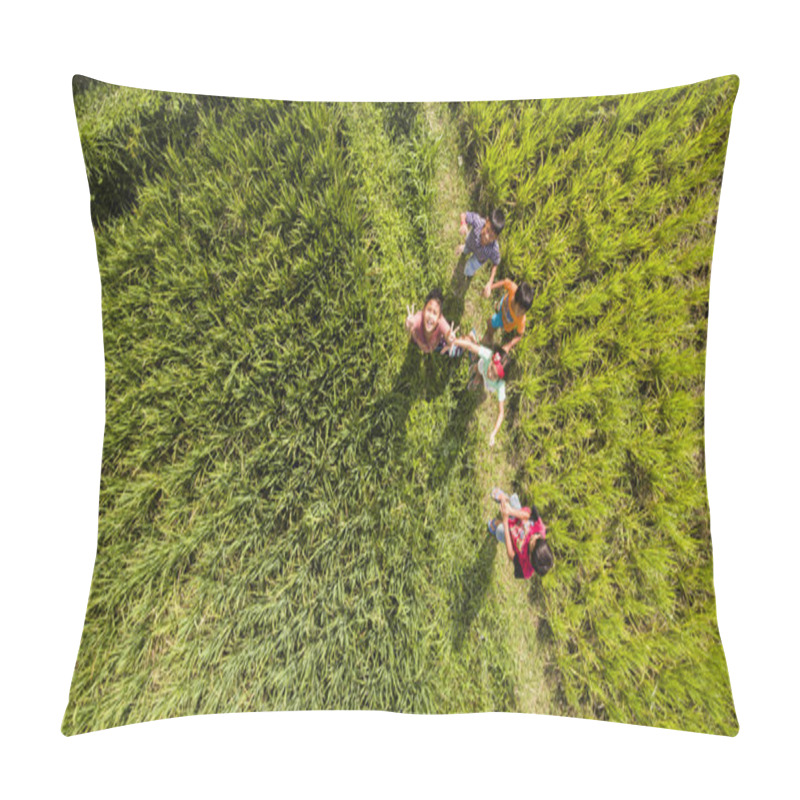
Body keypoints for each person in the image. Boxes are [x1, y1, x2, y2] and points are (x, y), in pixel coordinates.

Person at [451, 333, 506, 446]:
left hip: (489, 385)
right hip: (482, 366)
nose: (490, 374)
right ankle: (476, 370)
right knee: (480, 367)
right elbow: (470, 347)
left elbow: (501, 412)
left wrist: (493, 433)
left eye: (495, 375)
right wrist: (454, 341)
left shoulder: (500, 385)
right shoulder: (488, 355)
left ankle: (478, 378)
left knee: (484, 381)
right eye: (491, 368)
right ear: (491, 359)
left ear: (500, 378)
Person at [487, 488, 553, 579]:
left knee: (499, 532)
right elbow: (528, 515)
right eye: (538, 537)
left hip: (513, 536)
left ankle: (500, 522)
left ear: (530, 557)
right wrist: (510, 511)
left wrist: (505, 522)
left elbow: (511, 554)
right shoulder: (540, 529)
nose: (534, 536)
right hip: (519, 518)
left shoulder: (525, 570)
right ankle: (505, 499)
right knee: (513, 499)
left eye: (532, 542)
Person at [456, 209, 505, 291]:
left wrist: (490, 282)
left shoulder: (494, 249)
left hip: (478, 259)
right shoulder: (477, 222)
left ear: (497, 237)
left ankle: (469, 274)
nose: (487, 237)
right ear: (486, 221)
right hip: (470, 243)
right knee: (466, 249)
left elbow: (496, 263)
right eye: (487, 230)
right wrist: (463, 224)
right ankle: (465, 249)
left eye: (492, 236)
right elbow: (463, 215)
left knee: (469, 269)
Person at [483, 278, 533, 355]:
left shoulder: (521, 319)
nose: (521, 314)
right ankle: (498, 307)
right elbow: (504, 283)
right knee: (500, 307)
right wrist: (490, 287)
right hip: (503, 305)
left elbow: (519, 335)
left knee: (491, 322)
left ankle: (489, 337)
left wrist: (508, 346)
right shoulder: (513, 289)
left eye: (524, 312)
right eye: (520, 310)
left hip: (504, 321)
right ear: (516, 299)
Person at [405, 288, 459, 355]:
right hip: (418, 341)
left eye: (435, 313)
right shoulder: (418, 319)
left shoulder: (441, 323)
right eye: (429, 310)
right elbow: (410, 325)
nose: (430, 316)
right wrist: (408, 324)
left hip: (434, 345)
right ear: (423, 310)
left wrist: (449, 339)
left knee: (454, 349)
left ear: (439, 318)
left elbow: (448, 333)